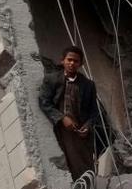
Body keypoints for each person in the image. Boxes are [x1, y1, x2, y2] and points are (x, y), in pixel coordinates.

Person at [39, 46, 99, 180]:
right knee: (68, 165)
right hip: (61, 130)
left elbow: (94, 111)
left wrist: (88, 126)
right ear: (62, 61)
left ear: (80, 64)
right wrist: (62, 118)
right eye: (69, 60)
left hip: (81, 133)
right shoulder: (52, 79)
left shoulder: (88, 85)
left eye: (76, 61)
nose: (72, 63)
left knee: (86, 166)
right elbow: (44, 102)